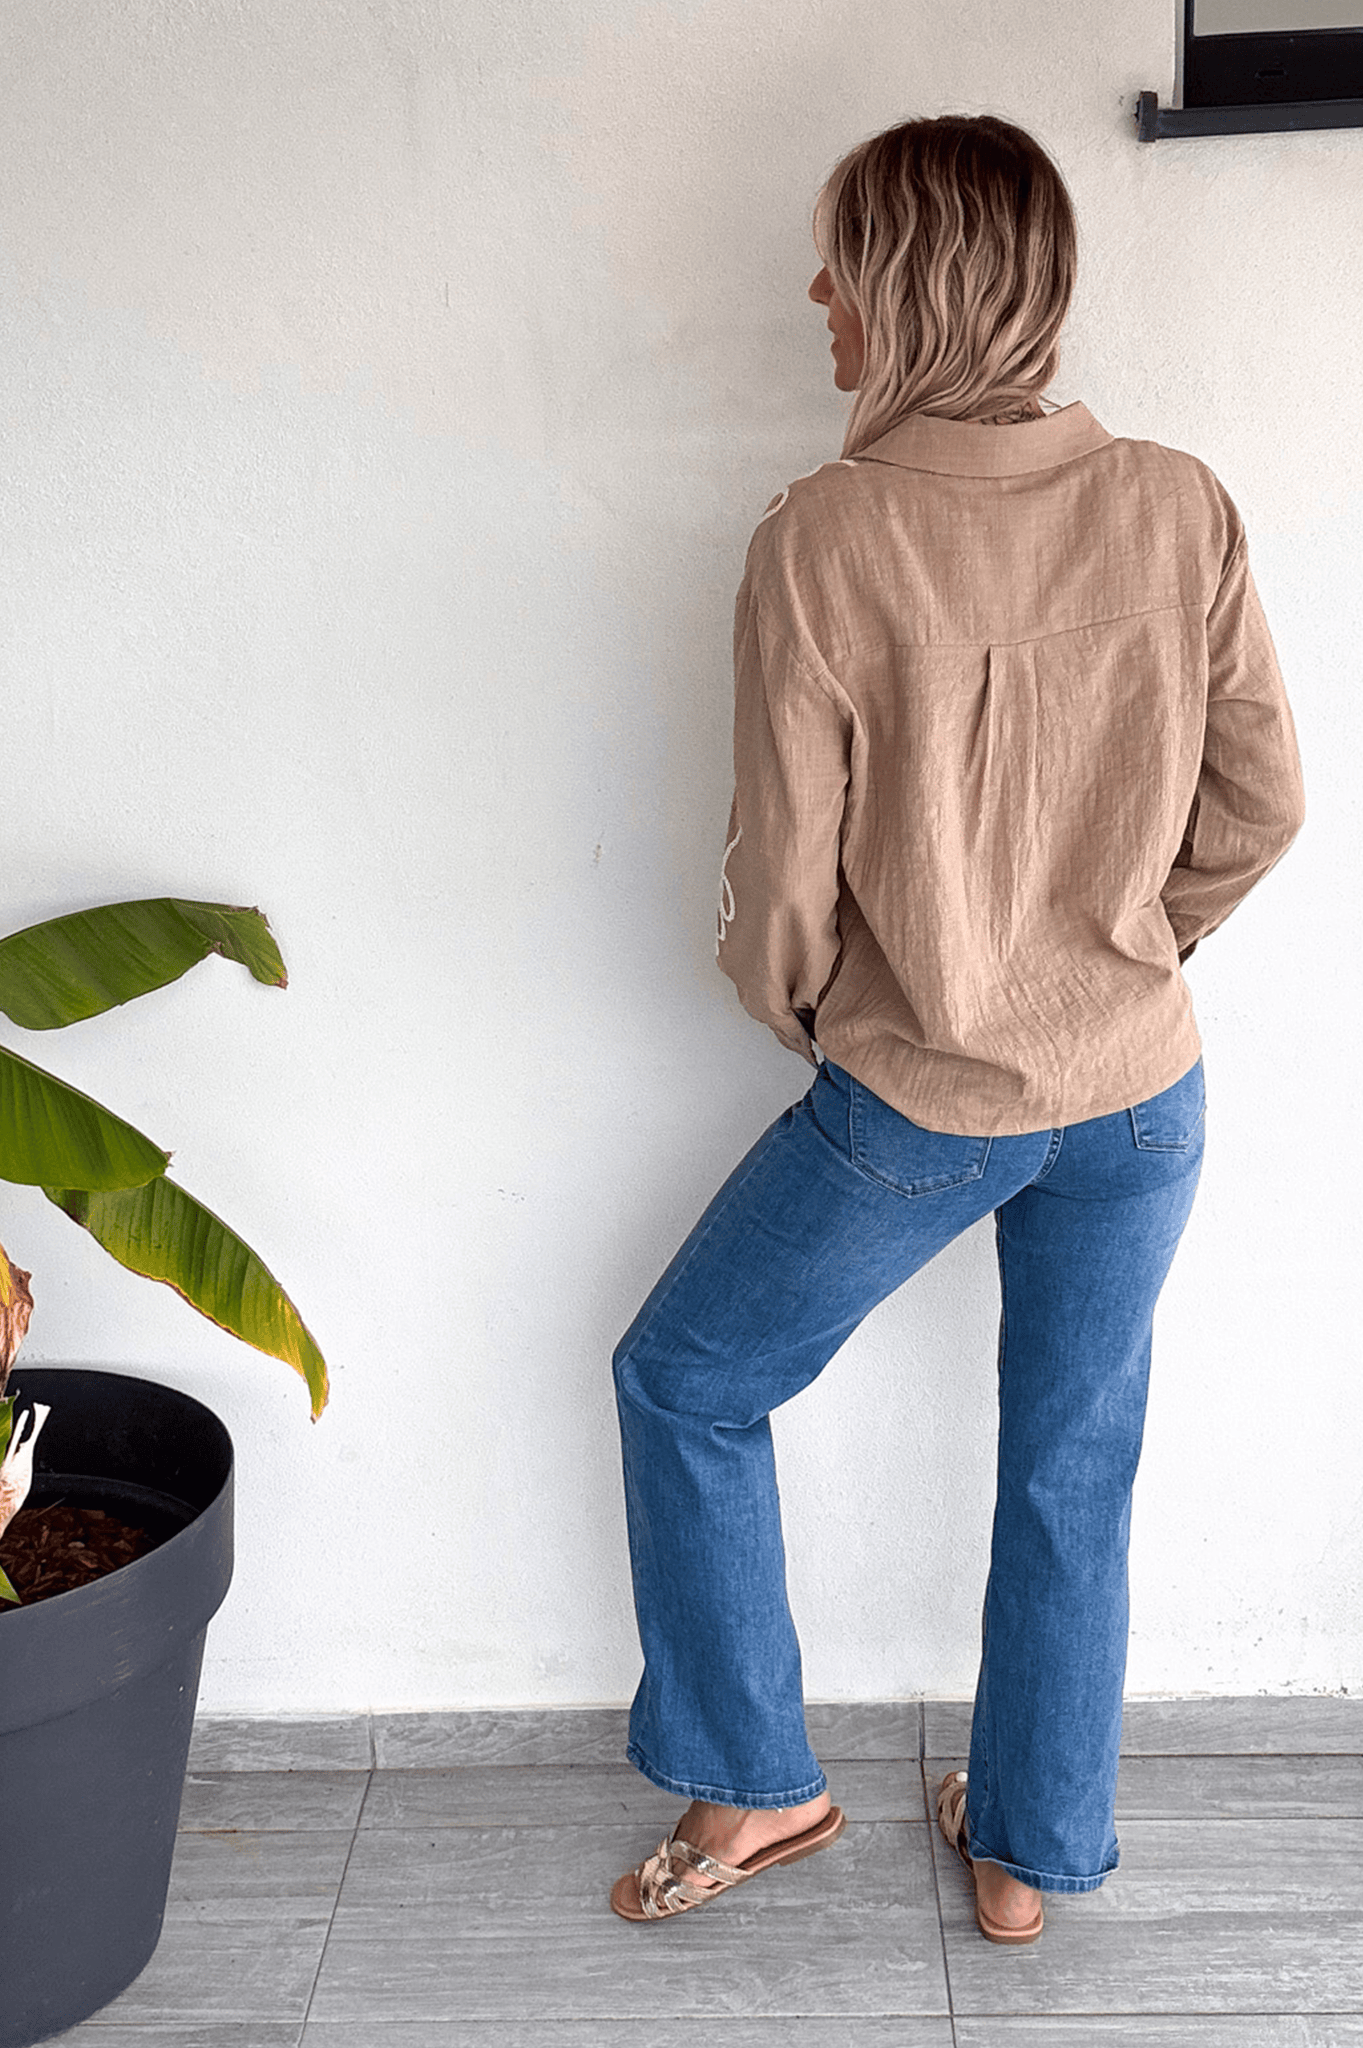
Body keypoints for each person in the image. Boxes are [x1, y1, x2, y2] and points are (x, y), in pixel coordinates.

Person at [608, 113, 1304, 1942]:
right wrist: (1131, 949)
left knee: (683, 1380)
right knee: (1075, 1460)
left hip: (922, 1097)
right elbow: (1263, 804)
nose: (815, 294)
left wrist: (818, 1014)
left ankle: (759, 1783)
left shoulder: (826, 536)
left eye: (839, 257)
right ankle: (1026, 1855)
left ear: (912, 281)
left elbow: (780, 881)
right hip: (1147, 1090)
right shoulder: (1178, 498)